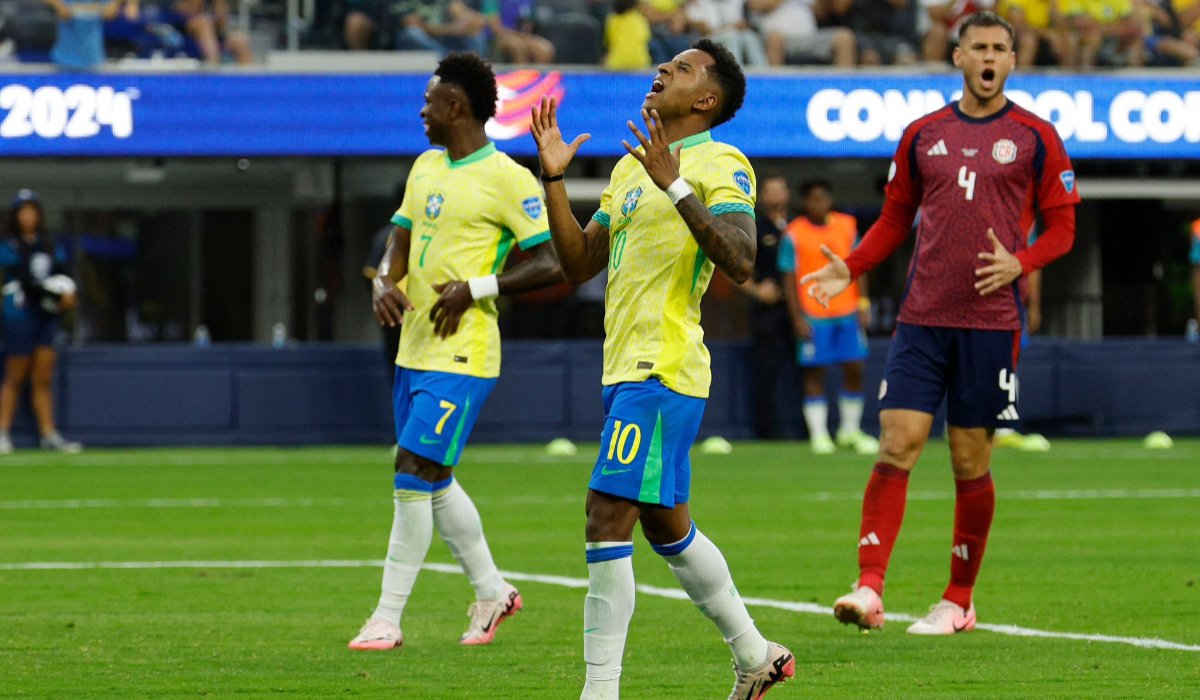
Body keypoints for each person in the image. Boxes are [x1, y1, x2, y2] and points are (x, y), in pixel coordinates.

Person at [531, 39, 795, 699]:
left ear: (706, 99)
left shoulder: (720, 160)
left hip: (664, 362)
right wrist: (555, 179)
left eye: (679, 69)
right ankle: (757, 655)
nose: (661, 72)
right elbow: (577, 263)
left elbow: (739, 258)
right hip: (624, 365)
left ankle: (600, 691)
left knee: (605, 513)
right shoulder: (628, 171)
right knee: (665, 523)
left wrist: (673, 181)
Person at [801, 12, 1079, 635]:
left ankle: (958, 599)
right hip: (921, 317)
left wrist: (1022, 261)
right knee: (896, 442)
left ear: (1012, 61)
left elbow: (1063, 227)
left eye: (999, 48)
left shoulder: (1036, 136)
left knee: (967, 458)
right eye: (977, 46)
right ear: (958, 57)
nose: (988, 56)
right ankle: (869, 588)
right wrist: (850, 267)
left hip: (988, 322)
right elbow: (895, 218)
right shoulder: (923, 133)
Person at [347, 52, 563, 652]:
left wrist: (479, 287)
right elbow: (401, 235)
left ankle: (387, 617)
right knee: (435, 478)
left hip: (465, 353)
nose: (421, 110)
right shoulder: (424, 167)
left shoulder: (509, 179)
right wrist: (382, 280)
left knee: (411, 470)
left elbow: (550, 260)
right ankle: (492, 591)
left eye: (428, 101)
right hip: (413, 348)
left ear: (455, 107)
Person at [779, 179, 878, 456]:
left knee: (855, 368)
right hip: (813, 314)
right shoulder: (794, 232)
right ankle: (820, 435)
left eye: (823, 197)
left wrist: (863, 302)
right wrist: (797, 317)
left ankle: (849, 430)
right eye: (813, 198)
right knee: (814, 372)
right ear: (805, 202)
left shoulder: (847, 225)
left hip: (847, 311)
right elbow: (788, 276)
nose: (818, 203)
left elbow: (861, 264)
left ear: (830, 199)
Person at [0, 190, 83, 454]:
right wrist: (52, 294)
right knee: (15, 376)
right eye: (22, 211)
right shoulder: (8, 245)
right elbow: (25, 281)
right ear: (15, 216)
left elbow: (62, 275)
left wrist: (67, 296)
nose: (28, 216)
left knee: (43, 377)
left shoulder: (49, 244)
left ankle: (49, 433)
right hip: (20, 315)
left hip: (46, 317)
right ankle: (2, 432)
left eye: (32, 210)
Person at [741, 172, 791, 440]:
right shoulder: (755, 227)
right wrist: (756, 290)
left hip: (797, 309)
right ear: (761, 197)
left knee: (805, 368)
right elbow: (734, 265)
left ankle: (809, 430)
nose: (776, 195)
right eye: (770, 190)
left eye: (780, 189)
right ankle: (767, 431)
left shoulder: (797, 226)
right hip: (767, 311)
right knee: (766, 370)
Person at [43, 0, 139, 68]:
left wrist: (131, 3)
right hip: (65, 60)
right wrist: (57, 5)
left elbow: (109, 14)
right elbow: (65, 14)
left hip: (94, 60)